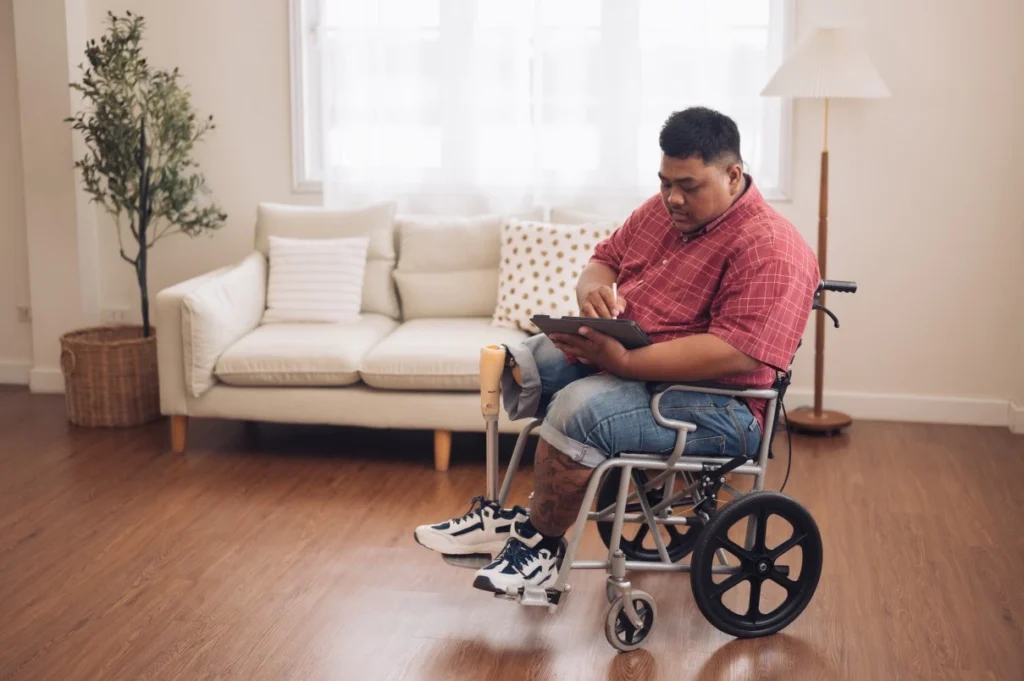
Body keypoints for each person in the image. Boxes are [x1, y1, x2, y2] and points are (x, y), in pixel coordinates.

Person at [413, 106, 820, 594]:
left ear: (733, 175)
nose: (673, 197)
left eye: (688, 185)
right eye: (665, 181)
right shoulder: (661, 210)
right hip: (645, 363)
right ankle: (505, 519)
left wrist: (623, 363)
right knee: (526, 362)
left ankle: (541, 544)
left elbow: (735, 352)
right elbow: (603, 260)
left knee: (580, 409)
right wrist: (593, 293)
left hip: (723, 404)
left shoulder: (772, 247)